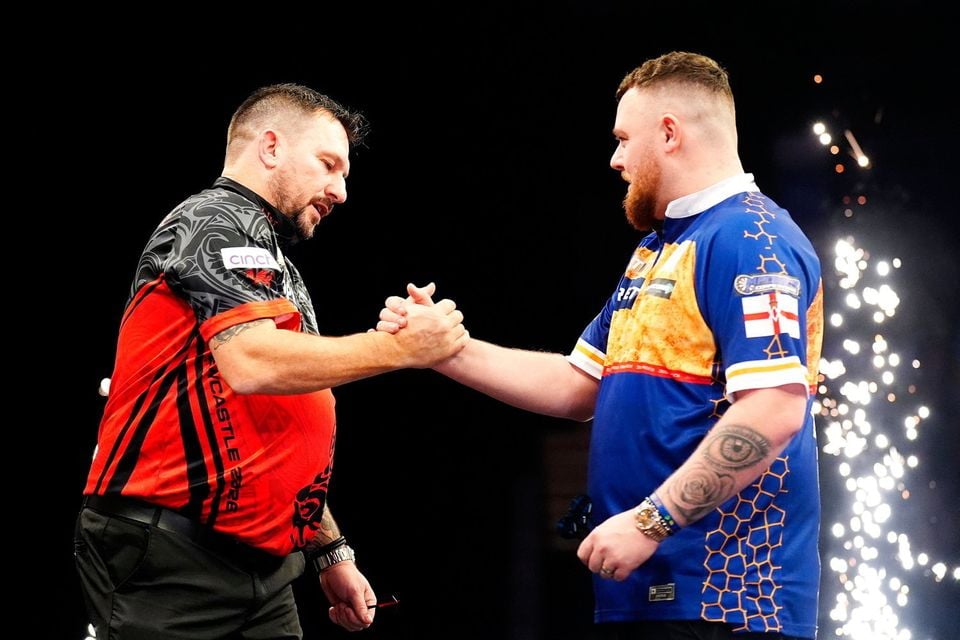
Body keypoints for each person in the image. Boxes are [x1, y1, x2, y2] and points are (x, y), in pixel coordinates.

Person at [379, 52, 824, 640]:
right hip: (651, 593)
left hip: (726, 599)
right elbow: (578, 384)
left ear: (669, 133)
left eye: (622, 139)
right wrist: (443, 349)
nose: (615, 159)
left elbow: (774, 408)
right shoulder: (660, 247)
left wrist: (650, 521)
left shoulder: (750, 239)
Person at [74, 83, 468, 639]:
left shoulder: (271, 258)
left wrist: (330, 549)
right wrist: (401, 349)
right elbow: (253, 364)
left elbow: (275, 422)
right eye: (329, 165)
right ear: (271, 146)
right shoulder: (212, 221)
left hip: (264, 569)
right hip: (170, 560)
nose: (341, 191)